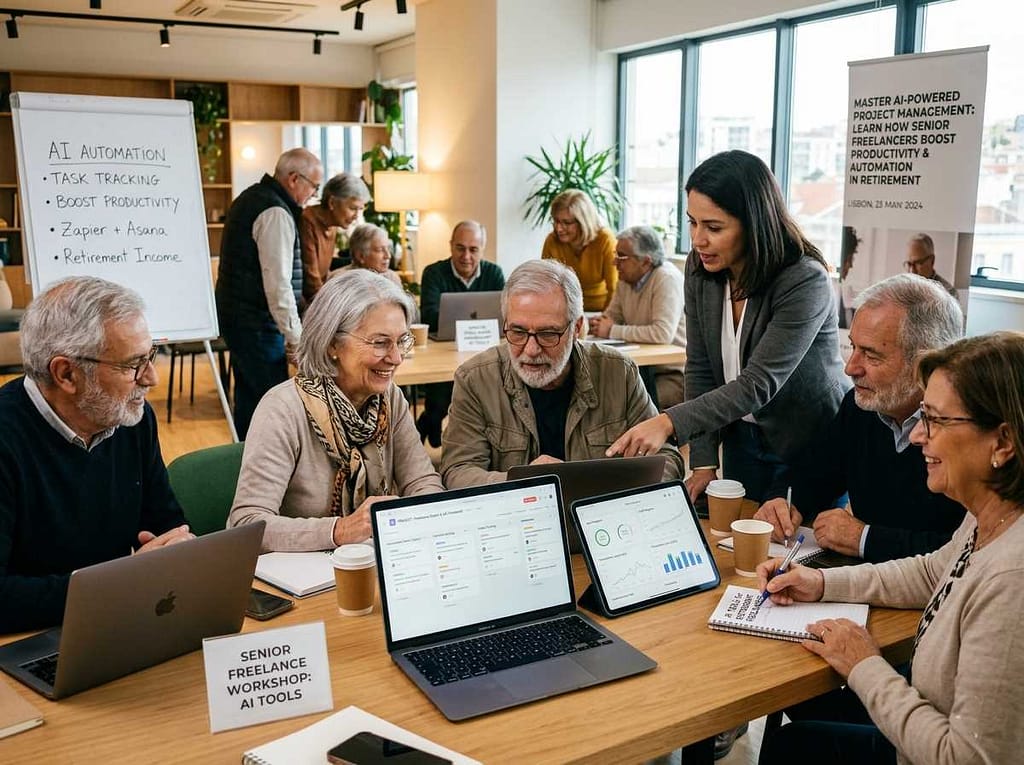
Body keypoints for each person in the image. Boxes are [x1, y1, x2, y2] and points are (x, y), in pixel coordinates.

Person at [758, 331, 1024, 765]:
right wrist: (819, 582)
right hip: (922, 726)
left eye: (936, 420)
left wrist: (864, 664)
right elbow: (928, 572)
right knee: (797, 743)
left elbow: (967, 757)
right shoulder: (987, 516)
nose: (918, 435)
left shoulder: (1013, 579)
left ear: (1003, 442)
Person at [608, 150, 848, 505]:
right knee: (735, 543)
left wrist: (667, 423)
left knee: (798, 550)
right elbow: (701, 367)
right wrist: (703, 461)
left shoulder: (804, 279)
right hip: (741, 439)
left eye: (713, 227)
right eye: (692, 222)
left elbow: (758, 383)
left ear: (754, 223)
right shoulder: (700, 269)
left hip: (807, 442)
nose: (698, 239)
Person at [0, 277, 192, 633]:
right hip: (25, 643)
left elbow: (165, 525)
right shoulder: (6, 439)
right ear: (67, 374)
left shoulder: (131, 418)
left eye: (151, 356)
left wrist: (180, 548)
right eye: (132, 365)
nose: (151, 378)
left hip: (111, 623)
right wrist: (122, 583)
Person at [227, 269, 443, 552]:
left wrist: (425, 514)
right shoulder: (283, 409)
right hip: (301, 580)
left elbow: (422, 481)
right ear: (332, 344)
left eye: (402, 340)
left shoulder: (389, 400)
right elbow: (247, 524)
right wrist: (341, 529)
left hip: (369, 566)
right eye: (380, 343)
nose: (396, 357)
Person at [755, 274, 965, 562]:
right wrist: (780, 501)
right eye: (853, 347)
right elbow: (812, 472)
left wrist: (865, 539)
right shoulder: (860, 407)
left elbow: (966, 552)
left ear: (926, 362)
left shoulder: (966, 430)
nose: (851, 368)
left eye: (871, 355)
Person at [441, 259, 683, 488]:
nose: (531, 349)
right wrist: (525, 483)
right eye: (517, 332)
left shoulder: (618, 372)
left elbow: (666, 460)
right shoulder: (475, 379)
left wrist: (591, 485)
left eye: (548, 334)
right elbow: (457, 472)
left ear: (577, 328)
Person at [216, 147, 324, 439]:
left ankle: (245, 463)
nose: (313, 195)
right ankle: (263, 468)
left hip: (239, 318)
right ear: (293, 179)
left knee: (251, 399)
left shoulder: (251, 197)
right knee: (269, 403)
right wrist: (297, 339)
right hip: (256, 324)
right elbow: (278, 286)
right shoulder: (275, 211)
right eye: (313, 187)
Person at [416, 221, 506, 447]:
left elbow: (502, 313)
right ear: (450, 246)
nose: (466, 256)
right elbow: (430, 314)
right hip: (443, 349)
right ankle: (431, 420)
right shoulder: (434, 273)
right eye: (460, 248)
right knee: (440, 400)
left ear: (482, 249)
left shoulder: (494, 273)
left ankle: (430, 424)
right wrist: (473, 324)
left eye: (473, 250)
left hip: (482, 348)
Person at [589, 225, 686, 409]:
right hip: (637, 371)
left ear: (646, 261)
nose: (614, 262)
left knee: (619, 404)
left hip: (671, 375)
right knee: (595, 393)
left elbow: (662, 333)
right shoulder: (626, 279)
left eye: (622, 257)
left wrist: (611, 330)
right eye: (616, 254)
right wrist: (596, 324)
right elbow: (610, 318)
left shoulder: (666, 278)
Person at [299, 172, 369, 305]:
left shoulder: (334, 224)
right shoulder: (307, 220)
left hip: (318, 299)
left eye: (359, 209)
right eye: (353, 208)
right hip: (305, 305)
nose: (356, 216)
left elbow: (324, 274)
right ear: (332, 202)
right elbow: (311, 279)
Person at [541, 189, 617, 312]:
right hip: (566, 311)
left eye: (566, 222)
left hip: (600, 310)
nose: (559, 228)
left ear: (583, 222)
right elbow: (547, 284)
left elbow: (615, 289)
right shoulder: (552, 241)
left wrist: (605, 318)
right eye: (556, 221)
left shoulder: (605, 240)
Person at [333, 222, 403, 288]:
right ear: (361, 256)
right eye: (380, 250)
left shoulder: (392, 278)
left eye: (388, 248)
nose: (388, 256)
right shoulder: (340, 281)